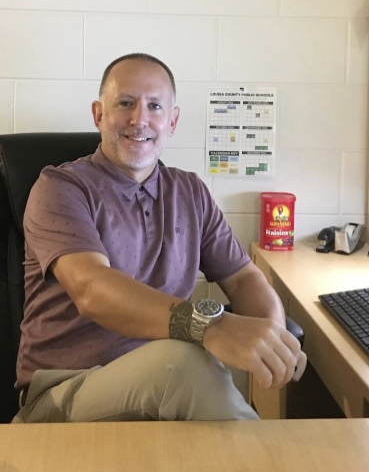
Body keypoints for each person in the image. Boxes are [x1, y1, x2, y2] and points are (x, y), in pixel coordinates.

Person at [12, 53, 306, 423]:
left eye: (154, 106)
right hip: (64, 395)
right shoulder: (61, 187)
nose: (140, 119)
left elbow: (244, 277)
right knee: (184, 364)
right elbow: (91, 289)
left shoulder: (190, 192)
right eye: (125, 103)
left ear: (173, 121)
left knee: (185, 368)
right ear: (99, 115)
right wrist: (208, 326)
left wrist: (272, 336)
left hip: (166, 396)